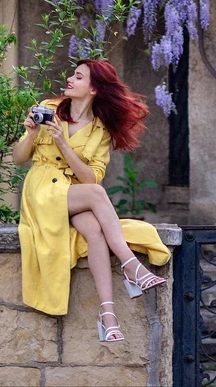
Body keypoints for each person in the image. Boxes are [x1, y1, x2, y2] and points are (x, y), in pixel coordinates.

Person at [13, 59, 170, 342]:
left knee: (95, 230)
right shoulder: (48, 108)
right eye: (73, 75)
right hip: (42, 191)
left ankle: (108, 317)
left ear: (94, 88)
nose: (70, 80)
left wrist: (63, 144)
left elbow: (90, 178)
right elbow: (18, 158)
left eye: (79, 77)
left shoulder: (101, 130)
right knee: (97, 195)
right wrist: (32, 134)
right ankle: (131, 266)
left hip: (74, 192)